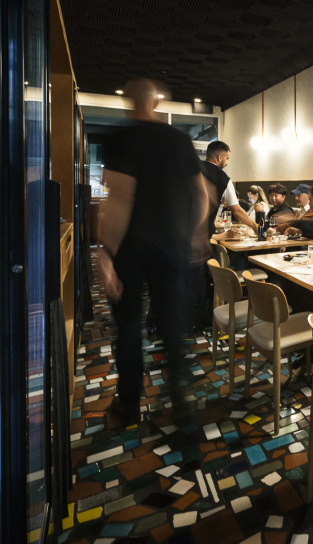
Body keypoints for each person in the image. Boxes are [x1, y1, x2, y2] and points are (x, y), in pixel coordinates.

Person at [98, 78, 209, 427]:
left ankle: (129, 405)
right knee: (174, 328)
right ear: (156, 102)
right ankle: (182, 406)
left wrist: (105, 252)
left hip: (131, 248)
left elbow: (119, 199)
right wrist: (196, 234)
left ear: (130, 101)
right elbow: (202, 195)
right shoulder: (179, 140)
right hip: (173, 246)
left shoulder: (121, 139)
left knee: (130, 328)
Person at [204, 140, 256, 230]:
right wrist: (256, 227)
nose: (227, 163)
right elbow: (237, 211)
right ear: (219, 157)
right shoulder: (223, 178)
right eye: (227, 159)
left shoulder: (192, 170)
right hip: (204, 232)